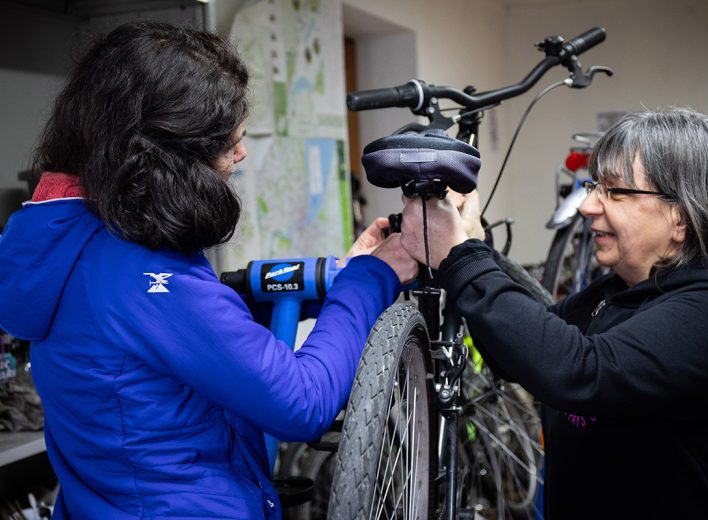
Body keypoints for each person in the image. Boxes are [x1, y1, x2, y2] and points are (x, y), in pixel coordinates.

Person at [0, 21, 417, 519]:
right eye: (227, 142)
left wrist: (337, 278)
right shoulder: (147, 278)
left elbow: (149, 357)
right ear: (171, 154)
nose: (241, 153)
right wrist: (370, 278)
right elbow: (302, 402)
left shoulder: (66, 239)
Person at [401, 108, 708, 518]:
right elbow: (528, 351)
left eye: (615, 192)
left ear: (681, 217)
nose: (587, 206)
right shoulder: (623, 289)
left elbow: (577, 371)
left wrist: (462, 258)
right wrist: (473, 242)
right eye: (594, 186)